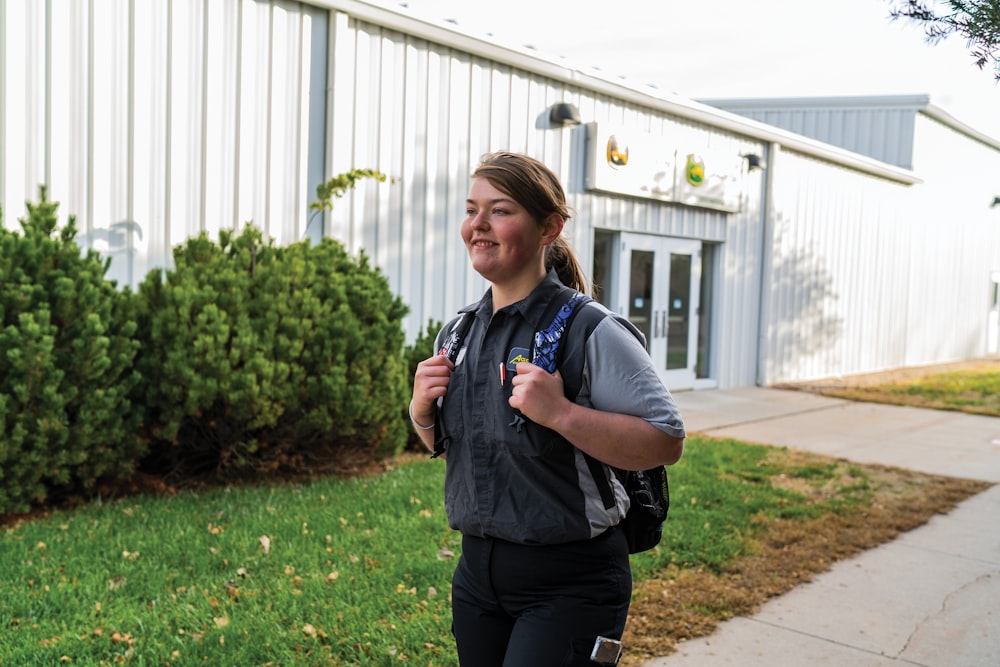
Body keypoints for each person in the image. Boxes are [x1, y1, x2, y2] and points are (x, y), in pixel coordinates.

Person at [409, 151, 686, 666]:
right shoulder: (459, 332)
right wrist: (422, 411)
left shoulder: (590, 329)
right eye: (472, 210)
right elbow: (460, 450)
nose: (479, 225)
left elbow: (666, 441)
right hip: (477, 576)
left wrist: (560, 413)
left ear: (549, 228)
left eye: (501, 210)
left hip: (571, 581)